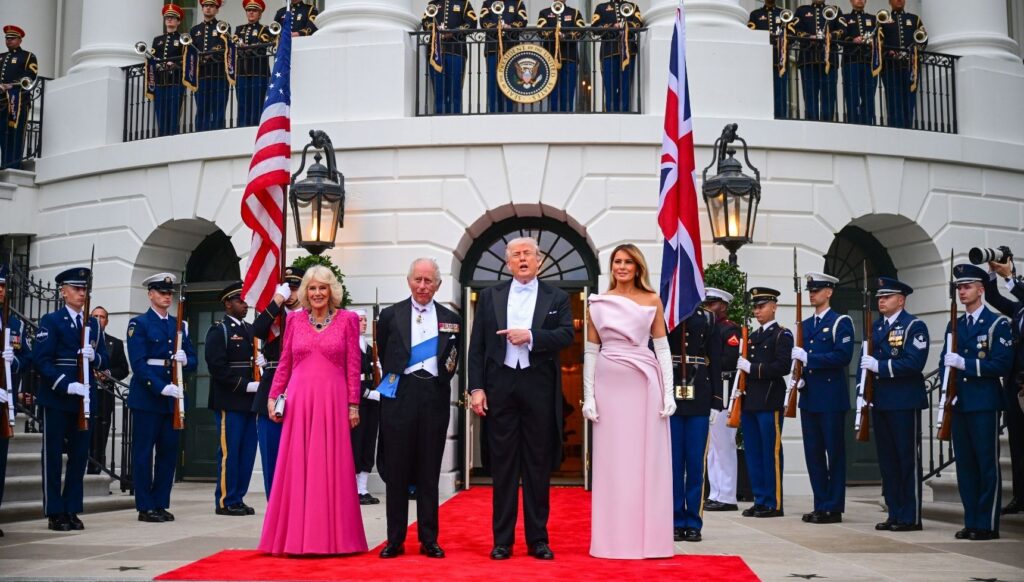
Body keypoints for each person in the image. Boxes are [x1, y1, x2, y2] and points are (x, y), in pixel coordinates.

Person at [469, 237, 574, 561]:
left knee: (537, 467)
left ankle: (538, 539)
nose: (523, 258)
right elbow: (477, 348)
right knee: (502, 468)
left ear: (539, 260)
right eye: (516, 254)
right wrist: (476, 389)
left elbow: (567, 334)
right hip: (500, 386)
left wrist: (531, 336)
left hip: (538, 387)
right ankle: (502, 541)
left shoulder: (557, 296)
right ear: (508, 262)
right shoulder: (489, 297)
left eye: (528, 253)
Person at [258, 266, 367, 555]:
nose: (317, 293)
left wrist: (353, 405)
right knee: (297, 466)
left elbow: (354, 366)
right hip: (299, 401)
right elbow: (285, 363)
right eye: (312, 288)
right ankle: (293, 537)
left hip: (333, 401)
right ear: (305, 292)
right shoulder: (293, 320)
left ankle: (335, 539)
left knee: (332, 466)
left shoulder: (348, 320)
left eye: (323, 287)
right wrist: (273, 397)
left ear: (332, 291)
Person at [582, 244, 674, 557]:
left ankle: (649, 539)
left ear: (638, 267)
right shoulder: (598, 302)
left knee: (645, 460)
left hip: (644, 383)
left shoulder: (652, 300)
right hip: (609, 386)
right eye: (617, 262)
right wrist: (588, 396)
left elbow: (662, 347)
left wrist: (669, 392)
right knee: (613, 464)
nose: (622, 267)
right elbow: (591, 351)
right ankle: (612, 540)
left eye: (628, 262)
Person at [376, 259, 462, 559]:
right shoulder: (389, 315)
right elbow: (384, 349)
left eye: (429, 281)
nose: (423, 286)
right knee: (397, 471)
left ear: (438, 285)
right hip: (400, 395)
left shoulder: (451, 318)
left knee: (429, 472)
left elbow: (453, 358)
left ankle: (429, 539)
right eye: (418, 280)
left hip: (434, 397)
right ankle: (395, 539)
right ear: (409, 280)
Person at [32, 267, 110, 532]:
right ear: (63, 292)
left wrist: (93, 357)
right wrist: (66, 384)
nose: (81, 293)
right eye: (76, 289)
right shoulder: (51, 321)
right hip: (57, 397)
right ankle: (55, 511)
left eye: (84, 289)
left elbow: (104, 361)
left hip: (84, 400)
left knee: (79, 457)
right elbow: (41, 360)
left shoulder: (92, 326)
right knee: (53, 456)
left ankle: (72, 508)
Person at [940, 264, 1012, 541]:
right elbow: (945, 362)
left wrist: (965, 364)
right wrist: (949, 388)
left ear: (981, 290)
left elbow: (1001, 365)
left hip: (984, 402)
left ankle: (987, 523)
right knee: (965, 466)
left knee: (986, 464)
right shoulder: (954, 325)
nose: (962, 291)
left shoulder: (997, 324)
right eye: (959, 287)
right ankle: (971, 520)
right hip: (959, 402)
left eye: (967, 286)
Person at [126, 273, 198, 523]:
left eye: (170, 293)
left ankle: (160, 502)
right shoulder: (140, 324)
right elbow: (138, 364)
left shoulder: (178, 325)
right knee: (144, 453)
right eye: (162, 292)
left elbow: (193, 358)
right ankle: (145, 505)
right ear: (151, 295)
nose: (167, 296)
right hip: (149, 397)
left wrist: (186, 360)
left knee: (168, 454)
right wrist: (160, 388)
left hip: (173, 398)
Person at [859, 276, 928, 532]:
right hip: (881, 401)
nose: (881, 301)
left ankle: (910, 516)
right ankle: (895, 512)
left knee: (906, 459)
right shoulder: (875, 328)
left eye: (886, 297)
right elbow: (865, 361)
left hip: (904, 401)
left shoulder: (914, 326)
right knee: (888, 462)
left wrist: (881, 366)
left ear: (901, 300)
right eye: (879, 297)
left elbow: (913, 362)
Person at [792, 273, 854, 524]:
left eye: (817, 290)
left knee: (834, 452)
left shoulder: (841, 322)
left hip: (831, 398)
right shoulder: (805, 325)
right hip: (810, 397)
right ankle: (820, 502)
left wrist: (810, 359)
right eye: (810, 290)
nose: (812, 294)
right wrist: (801, 373)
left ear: (829, 292)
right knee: (814, 453)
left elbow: (843, 356)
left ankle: (834, 505)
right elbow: (801, 360)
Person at [736, 287, 792, 518]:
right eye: (755, 307)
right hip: (751, 402)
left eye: (762, 306)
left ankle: (774, 502)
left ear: (774, 307)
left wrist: (753, 369)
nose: (757, 311)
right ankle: (760, 498)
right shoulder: (753, 337)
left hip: (770, 401)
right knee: (754, 453)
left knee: (771, 452)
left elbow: (782, 367)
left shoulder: (782, 335)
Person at [205, 281, 258, 517]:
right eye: (239, 300)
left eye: (246, 300)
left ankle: (239, 497)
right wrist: (245, 385)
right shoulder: (219, 330)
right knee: (230, 453)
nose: (244, 305)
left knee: (246, 453)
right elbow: (217, 367)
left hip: (249, 402)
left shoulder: (250, 329)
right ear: (228, 304)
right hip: (230, 400)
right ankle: (226, 500)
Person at [251, 266, 304, 498]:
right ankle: (274, 505)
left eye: (295, 288)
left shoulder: (312, 317)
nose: (291, 293)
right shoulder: (276, 315)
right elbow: (257, 329)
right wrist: (276, 301)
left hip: (302, 387)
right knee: (272, 457)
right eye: (287, 288)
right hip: (272, 388)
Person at [983, 257, 1024, 515]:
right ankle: (1020, 496)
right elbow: (996, 300)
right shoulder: (1020, 309)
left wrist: (1010, 277)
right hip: (1015, 385)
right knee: (1018, 443)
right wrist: (991, 273)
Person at [703, 288, 741, 512]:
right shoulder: (709, 329)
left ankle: (727, 496)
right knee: (713, 448)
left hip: (725, 391)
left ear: (723, 306)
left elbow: (728, 360)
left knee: (724, 445)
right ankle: (715, 492)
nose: (708, 308)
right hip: (711, 390)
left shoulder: (729, 330)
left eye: (712, 304)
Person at [0, 264, 31, 537]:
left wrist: (15, 361)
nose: (0, 291)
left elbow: (28, 357)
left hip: (3, 400)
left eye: (2, 286)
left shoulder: (14, 322)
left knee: (1, 462)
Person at [87, 306, 130, 475]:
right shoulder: (81, 339)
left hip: (105, 395)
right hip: (84, 394)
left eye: (102, 317)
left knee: (101, 434)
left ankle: (95, 470)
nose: (98, 320)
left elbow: (124, 369)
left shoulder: (116, 343)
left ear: (107, 321)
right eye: (95, 316)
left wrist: (109, 374)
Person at [422, 0, 477, 115]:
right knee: (439, 91)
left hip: (456, 51)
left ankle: (455, 120)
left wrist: (453, 32)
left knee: (455, 91)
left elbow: (472, 22)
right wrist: (436, 29)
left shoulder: (463, 3)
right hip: (436, 53)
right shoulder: (433, 4)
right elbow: (426, 22)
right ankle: (439, 119)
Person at [350, 309, 381, 506]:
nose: (363, 323)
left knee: (369, 441)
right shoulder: (349, 347)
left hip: (372, 401)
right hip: (357, 401)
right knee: (356, 442)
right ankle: (353, 488)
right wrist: (367, 393)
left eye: (364, 320)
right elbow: (349, 376)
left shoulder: (370, 349)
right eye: (359, 320)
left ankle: (363, 488)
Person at [879, 0, 926, 129]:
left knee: (909, 102)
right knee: (894, 101)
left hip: (910, 68)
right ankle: (895, 130)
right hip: (890, 67)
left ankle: (907, 129)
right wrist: (889, 52)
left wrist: (915, 52)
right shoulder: (884, 20)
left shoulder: (914, 19)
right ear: (889, 2)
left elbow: (923, 39)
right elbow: (878, 41)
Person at [794, 0, 842, 122]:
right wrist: (808, 37)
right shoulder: (801, 10)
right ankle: (812, 124)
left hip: (829, 61)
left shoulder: (835, 10)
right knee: (810, 98)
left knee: (829, 97)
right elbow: (796, 29)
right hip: (808, 60)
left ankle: (827, 126)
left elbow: (842, 30)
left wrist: (830, 36)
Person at [591, 1, 643, 113]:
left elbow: (638, 23)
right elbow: (594, 28)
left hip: (628, 52)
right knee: (610, 88)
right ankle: (611, 115)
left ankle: (624, 113)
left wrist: (625, 25)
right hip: (609, 51)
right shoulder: (601, 7)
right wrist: (612, 26)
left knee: (626, 87)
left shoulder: (633, 6)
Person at [747, 0, 794, 119]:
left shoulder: (783, 13)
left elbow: (793, 36)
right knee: (763, 94)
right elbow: (751, 36)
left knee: (781, 95)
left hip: (780, 62)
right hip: (762, 62)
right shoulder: (755, 15)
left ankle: (781, 119)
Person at [0, 25, 39, 170]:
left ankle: (13, 164)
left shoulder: (28, 56)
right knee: (2, 132)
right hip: (1, 100)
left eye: (12, 38)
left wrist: (12, 85)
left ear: (20, 40)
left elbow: (31, 75)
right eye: (7, 38)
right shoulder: (1, 57)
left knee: (14, 132)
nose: (8, 41)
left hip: (18, 99)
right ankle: (4, 162)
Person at [537, 1, 586, 113]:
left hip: (570, 56)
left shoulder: (574, 13)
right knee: (552, 90)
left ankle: (568, 115)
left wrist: (565, 36)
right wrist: (554, 34)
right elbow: (541, 30)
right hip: (551, 57)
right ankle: (553, 115)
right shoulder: (544, 13)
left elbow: (581, 30)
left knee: (568, 90)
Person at [479, 0, 526, 114]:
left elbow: (522, 20)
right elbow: (483, 20)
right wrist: (497, 27)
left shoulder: (517, 3)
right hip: (493, 48)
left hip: (511, 49)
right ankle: (493, 112)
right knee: (493, 82)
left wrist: (510, 26)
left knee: (510, 81)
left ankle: (509, 112)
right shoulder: (487, 3)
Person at [191, 0, 230, 132]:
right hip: (201, 75)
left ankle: (218, 134)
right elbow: (190, 50)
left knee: (219, 107)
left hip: (219, 73)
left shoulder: (223, 26)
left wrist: (210, 53)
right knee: (202, 108)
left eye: (212, 6)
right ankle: (200, 134)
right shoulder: (194, 30)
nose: (208, 9)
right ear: (202, 8)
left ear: (217, 9)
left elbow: (225, 45)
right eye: (205, 6)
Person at [839, 0, 878, 124]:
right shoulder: (844, 18)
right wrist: (852, 39)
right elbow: (840, 37)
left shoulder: (873, 19)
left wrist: (874, 42)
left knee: (869, 96)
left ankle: (867, 122)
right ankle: (853, 122)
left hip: (869, 62)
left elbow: (880, 37)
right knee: (852, 96)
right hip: (851, 61)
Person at [235, 0, 273, 127]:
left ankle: (256, 129)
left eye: (254, 10)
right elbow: (234, 44)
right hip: (242, 73)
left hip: (259, 73)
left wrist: (245, 47)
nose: (251, 12)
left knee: (257, 104)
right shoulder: (239, 29)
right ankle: (242, 129)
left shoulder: (265, 29)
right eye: (248, 10)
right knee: (242, 104)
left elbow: (261, 46)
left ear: (260, 14)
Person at [150, 4, 187, 137]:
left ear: (178, 21)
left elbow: (186, 59)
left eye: (173, 18)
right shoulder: (158, 40)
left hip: (175, 81)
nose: (170, 20)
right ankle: (162, 136)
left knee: (173, 113)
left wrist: (175, 64)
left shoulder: (182, 39)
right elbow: (152, 57)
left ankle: (172, 136)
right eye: (167, 17)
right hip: (160, 81)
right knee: (161, 112)